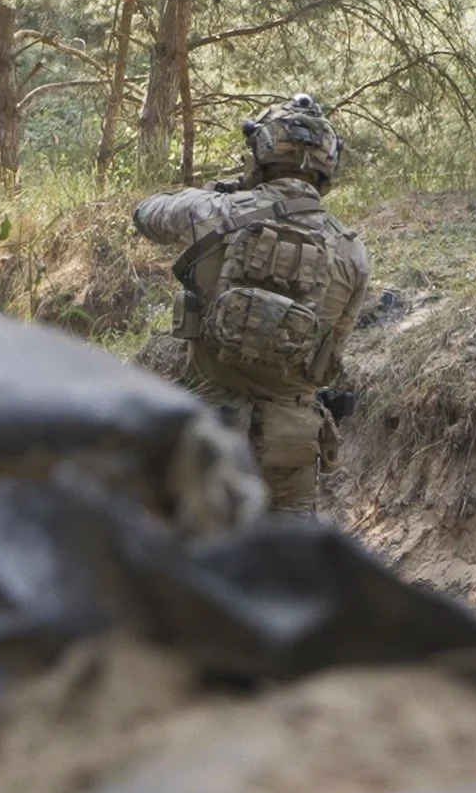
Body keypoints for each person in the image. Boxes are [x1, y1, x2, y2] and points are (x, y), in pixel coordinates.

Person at [133, 94, 370, 519]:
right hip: (290, 445)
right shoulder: (352, 253)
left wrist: (220, 194)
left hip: (211, 434)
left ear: (259, 152)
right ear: (328, 165)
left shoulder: (211, 210)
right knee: (288, 555)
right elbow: (331, 353)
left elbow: (145, 213)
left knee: (196, 548)